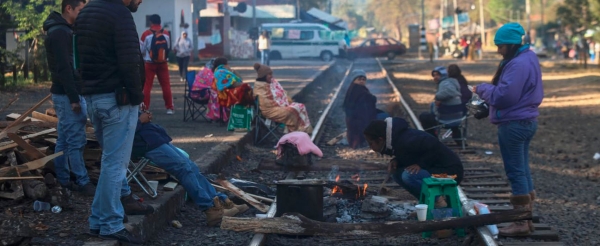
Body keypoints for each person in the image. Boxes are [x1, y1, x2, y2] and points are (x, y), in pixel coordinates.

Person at [76, 0, 149, 243]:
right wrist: (138, 98)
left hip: (95, 98)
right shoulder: (120, 13)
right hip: (118, 99)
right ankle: (109, 223)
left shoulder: (86, 11)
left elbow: (80, 58)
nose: (140, 1)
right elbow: (129, 60)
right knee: (115, 164)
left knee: (110, 161)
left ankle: (97, 220)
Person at [471, 22, 543, 237]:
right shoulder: (529, 58)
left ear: (511, 45)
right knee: (523, 171)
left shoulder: (517, 64)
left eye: (501, 46)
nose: (498, 50)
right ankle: (526, 219)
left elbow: (505, 97)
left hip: (514, 124)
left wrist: (482, 89)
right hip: (526, 121)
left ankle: (520, 223)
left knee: (515, 172)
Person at [131, 111, 248, 226]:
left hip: (150, 136)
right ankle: (211, 209)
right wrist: (140, 120)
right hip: (142, 142)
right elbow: (118, 131)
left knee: (191, 167)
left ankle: (219, 201)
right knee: (183, 168)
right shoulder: (114, 101)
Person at [43, 0, 94, 196]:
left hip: (66, 92)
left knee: (64, 139)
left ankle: (64, 180)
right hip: (66, 94)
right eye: (80, 10)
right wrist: (74, 97)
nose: (82, 14)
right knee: (76, 140)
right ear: (69, 8)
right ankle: (82, 181)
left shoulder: (64, 30)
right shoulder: (59, 32)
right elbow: (64, 68)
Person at [363, 117, 464, 200]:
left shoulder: (406, 139)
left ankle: (437, 202)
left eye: (370, 143)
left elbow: (434, 145)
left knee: (409, 176)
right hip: (435, 169)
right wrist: (396, 160)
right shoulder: (396, 139)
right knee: (397, 173)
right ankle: (425, 202)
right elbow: (410, 155)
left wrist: (421, 164)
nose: (370, 147)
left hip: (451, 173)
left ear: (380, 139)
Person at [252, 63, 312, 133]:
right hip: (270, 111)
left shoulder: (270, 83)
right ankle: (294, 135)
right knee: (291, 112)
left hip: (277, 108)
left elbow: (278, 94)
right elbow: (267, 104)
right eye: (269, 74)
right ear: (264, 76)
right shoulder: (260, 88)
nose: (271, 76)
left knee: (300, 106)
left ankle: (302, 132)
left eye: (271, 74)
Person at [418, 66, 465, 143]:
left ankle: (433, 140)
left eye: (437, 75)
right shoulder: (453, 81)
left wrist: (437, 97)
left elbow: (450, 91)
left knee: (424, 117)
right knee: (435, 108)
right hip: (457, 119)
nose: (435, 77)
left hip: (446, 120)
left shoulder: (445, 83)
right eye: (434, 75)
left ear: (443, 75)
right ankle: (458, 140)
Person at [141, 14, 174, 115]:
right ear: (160, 22)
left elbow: (141, 50)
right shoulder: (167, 33)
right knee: (166, 85)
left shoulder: (146, 34)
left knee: (147, 86)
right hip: (163, 63)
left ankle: (145, 108)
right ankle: (169, 108)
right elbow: (168, 48)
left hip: (149, 63)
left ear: (151, 22)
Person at [343, 69, 378, 149]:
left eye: (363, 79)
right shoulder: (358, 90)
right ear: (354, 80)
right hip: (358, 119)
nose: (361, 81)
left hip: (357, 118)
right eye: (359, 79)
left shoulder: (356, 89)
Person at [211, 57, 253, 122]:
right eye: (228, 64)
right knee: (248, 93)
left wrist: (233, 71)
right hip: (227, 95)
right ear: (225, 64)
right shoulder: (221, 72)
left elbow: (238, 80)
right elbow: (233, 83)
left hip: (224, 95)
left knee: (248, 92)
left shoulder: (220, 71)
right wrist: (244, 85)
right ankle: (252, 117)